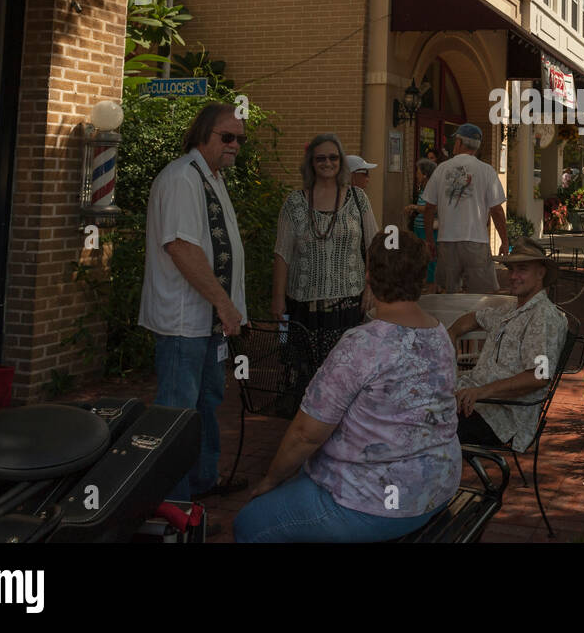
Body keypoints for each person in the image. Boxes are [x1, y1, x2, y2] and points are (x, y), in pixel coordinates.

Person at [234, 231, 459, 542]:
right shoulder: (440, 335)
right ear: (421, 278)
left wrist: (270, 480)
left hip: (374, 505)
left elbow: (305, 434)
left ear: (367, 276)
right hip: (439, 486)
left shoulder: (362, 345)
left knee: (250, 522)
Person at [139, 102, 249, 503]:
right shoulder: (182, 178)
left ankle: (202, 481)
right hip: (184, 323)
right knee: (176, 412)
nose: (236, 144)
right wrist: (224, 303)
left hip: (207, 323)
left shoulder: (211, 178)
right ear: (203, 134)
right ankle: (172, 503)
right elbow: (182, 247)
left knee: (205, 404)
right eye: (227, 136)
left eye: (240, 138)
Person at [446, 238, 569, 451]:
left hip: (501, 418)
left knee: (419, 427)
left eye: (522, 269)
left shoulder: (542, 317)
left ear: (541, 273)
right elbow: (475, 318)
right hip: (473, 400)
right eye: (511, 269)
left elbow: (539, 376)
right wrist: (452, 333)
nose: (513, 276)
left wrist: (481, 392)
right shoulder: (512, 308)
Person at [273, 134, 378, 365]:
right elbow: (282, 253)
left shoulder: (358, 199)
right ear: (311, 162)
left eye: (333, 157)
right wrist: (278, 298)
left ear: (341, 162)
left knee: (346, 372)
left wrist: (370, 288)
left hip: (348, 304)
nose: (327, 163)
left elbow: (374, 246)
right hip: (303, 306)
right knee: (305, 373)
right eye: (320, 158)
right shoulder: (294, 203)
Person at [421, 124, 508, 293]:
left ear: (460, 142)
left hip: (446, 241)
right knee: (483, 295)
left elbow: (429, 208)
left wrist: (430, 240)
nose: (454, 144)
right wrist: (504, 241)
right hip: (477, 241)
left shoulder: (441, 169)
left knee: (447, 294)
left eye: (455, 140)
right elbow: (497, 210)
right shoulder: (487, 171)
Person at [406, 158, 439, 286]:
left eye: (418, 172)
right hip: (419, 229)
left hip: (428, 230)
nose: (416, 174)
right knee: (421, 258)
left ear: (425, 174)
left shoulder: (432, 190)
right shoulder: (422, 189)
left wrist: (414, 207)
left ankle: (432, 286)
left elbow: (431, 209)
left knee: (430, 258)